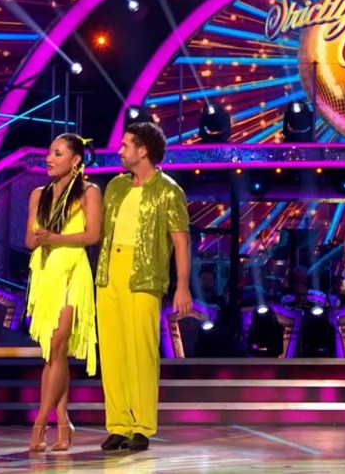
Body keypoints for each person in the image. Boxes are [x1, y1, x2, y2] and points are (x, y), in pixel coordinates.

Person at [96, 122, 191, 451]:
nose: (120, 151)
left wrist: (182, 287)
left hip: (145, 274)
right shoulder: (115, 187)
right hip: (109, 274)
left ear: (143, 151)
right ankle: (118, 424)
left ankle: (142, 426)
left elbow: (181, 242)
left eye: (126, 145)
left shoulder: (169, 190)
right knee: (112, 351)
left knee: (142, 351)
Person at [24, 134, 101, 452]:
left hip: (72, 271)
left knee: (57, 344)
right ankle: (63, 420)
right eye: (48, 153)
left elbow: (92, 234)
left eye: (57, 153)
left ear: (76, 160)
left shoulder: (89, 191)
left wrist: (55, 238)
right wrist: (42, 238)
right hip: (46, 272)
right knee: (53, 353)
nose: (49, 158)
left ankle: (39, 422)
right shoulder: (37, 194)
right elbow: (29, 240)